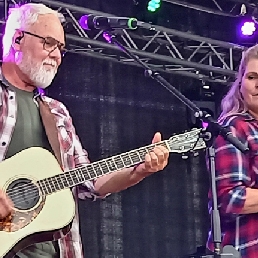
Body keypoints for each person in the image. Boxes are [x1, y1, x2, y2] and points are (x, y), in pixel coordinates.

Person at [0, 3, 170, 258]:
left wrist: (139, 171)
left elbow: (89, 182)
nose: (57, 55)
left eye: (60, 48)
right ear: (17, 39)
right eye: (49, 42)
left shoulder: (57, 113)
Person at [206, 44, 258, 258]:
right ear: (240, 84)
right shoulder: (234, 127)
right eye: (252, 77)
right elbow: (229, 198)